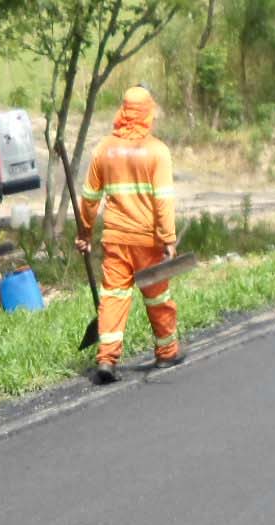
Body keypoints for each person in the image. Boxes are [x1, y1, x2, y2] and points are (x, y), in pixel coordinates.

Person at [76, 85, 180, 385]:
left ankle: (107, 359)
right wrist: (168, 238)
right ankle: (167, 351)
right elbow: (162, 201)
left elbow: (89, 198)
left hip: (116, 241)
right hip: (147, 241)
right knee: (157, 296)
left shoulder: (104, 149)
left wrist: (85, 232)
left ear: (123, 113)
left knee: (113, 298)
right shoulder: (157, 152)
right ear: (147, 114)